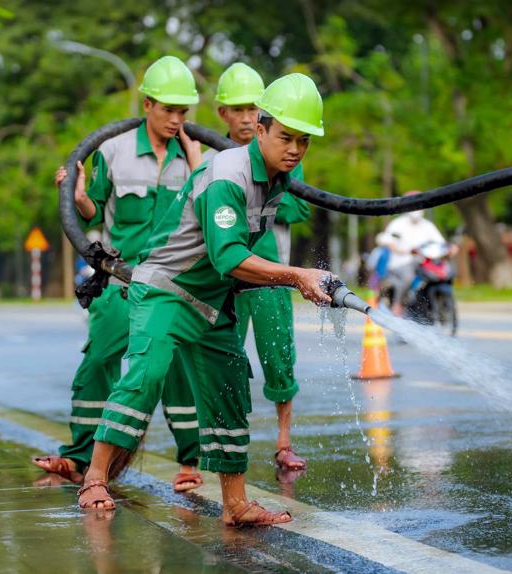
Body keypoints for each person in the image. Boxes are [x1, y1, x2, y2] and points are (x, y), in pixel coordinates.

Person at [77, 74, 333, 528]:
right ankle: (95, 477)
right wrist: (297, 275)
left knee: (230, 382)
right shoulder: (227, 176)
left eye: (303, 141)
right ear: (261, 131)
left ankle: (235, 504)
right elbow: (229, 255)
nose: (295, 149)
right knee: (148, 373)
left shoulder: (276, 180)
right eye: (286, 137)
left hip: (211, 300)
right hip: (167, 292)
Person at [35, 56, 205, 493]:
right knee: (97, 362)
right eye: (168, 109)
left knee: (178, 369)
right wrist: (75, 196)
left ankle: (190, 462)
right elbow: (92, 208)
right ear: (146, 104)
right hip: (119, 279)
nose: (175, 119)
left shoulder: (195, 159)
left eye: (183, 112)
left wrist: (198, 161)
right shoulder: (113, 150)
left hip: (171, 282)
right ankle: (77, 458)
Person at [209, 63, 312, 470]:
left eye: (254, 108)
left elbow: (302, 204)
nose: (248, 117)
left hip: (272, 274)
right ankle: (219, 450)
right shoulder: (215, 156)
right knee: (223, 360)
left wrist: (257, 196)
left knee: (279, 356)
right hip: (227, 277)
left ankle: (284, 442)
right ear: (224, 115)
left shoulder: (286, 154)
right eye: (239, 109)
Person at [376, 206, 447, 316]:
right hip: (401, 262)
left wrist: (449, 248)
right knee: (408, 277)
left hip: (423, 262)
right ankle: (397, 304)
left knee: (439, 272)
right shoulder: (397, 224)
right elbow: (387, 240)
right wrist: (401, 249)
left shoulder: (428, 225)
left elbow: (440, 242)